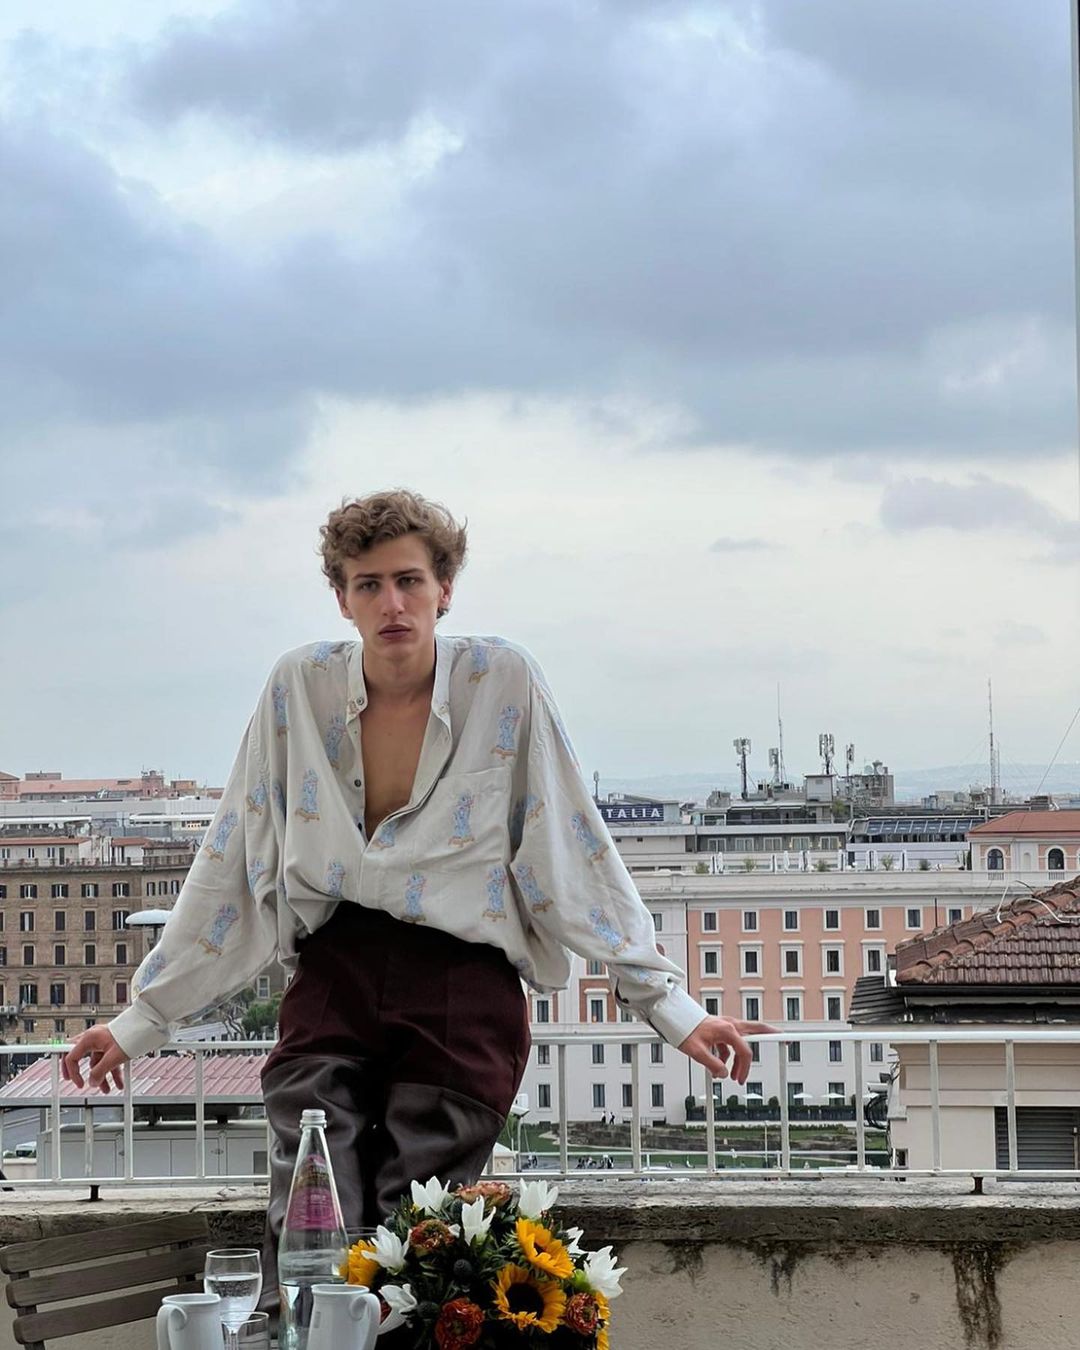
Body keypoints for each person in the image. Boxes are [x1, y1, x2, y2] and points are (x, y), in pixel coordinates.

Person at [61, 489, 770, 1295]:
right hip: (334, 973)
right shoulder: (297, 689)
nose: (392, 605)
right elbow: (236, 857)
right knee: (311, 1218)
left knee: (418, 1244)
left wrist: (669, 1005)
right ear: (342, 599)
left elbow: (567, 843)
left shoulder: (501, 681)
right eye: (369, 585)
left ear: (445, 590)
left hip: (461, 985)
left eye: (409, 581)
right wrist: (143, 1018)